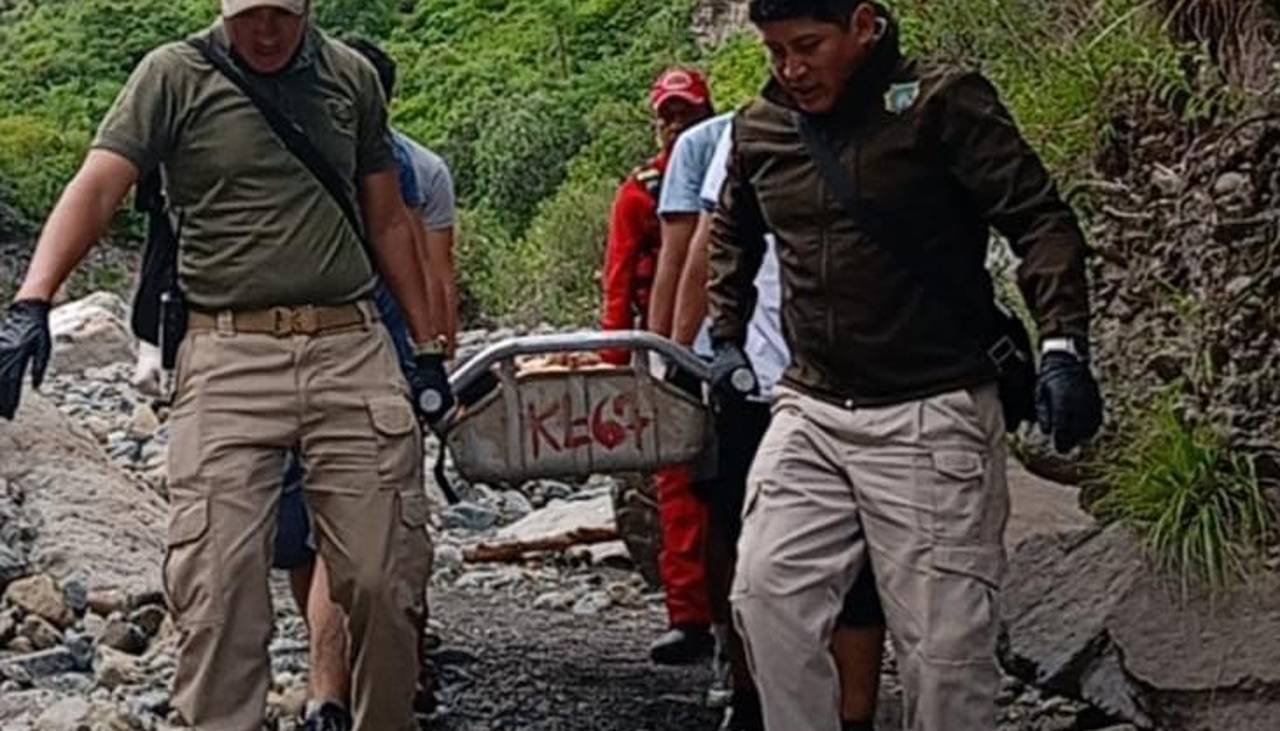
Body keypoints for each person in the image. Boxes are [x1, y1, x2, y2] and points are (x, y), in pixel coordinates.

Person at [0, 3, 453, 729]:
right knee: (216, 584)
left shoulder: (350, 77)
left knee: (384, 577)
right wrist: (32, 299)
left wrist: (428, 350)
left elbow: (389, 219)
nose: (264, 32)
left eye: (279, 14)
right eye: (249, 17)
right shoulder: (171, 76)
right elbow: (98, 185)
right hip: (225, 347)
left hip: (348, 342)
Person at [706, 2, 1104, 730]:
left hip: (932, 402)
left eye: (807, 46)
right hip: (813, 404)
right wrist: (725, 333)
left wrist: (1062, 347)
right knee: (765, 595)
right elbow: (732, 227)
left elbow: (1040, 219)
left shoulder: (942, 103)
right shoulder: (760, 127)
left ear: (863, 25)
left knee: (945, 648)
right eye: (774, 52)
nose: (791, 69)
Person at [662, 115, 886, 730]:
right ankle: (751, 692)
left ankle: (852, 715)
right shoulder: (747, 133)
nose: (794, 67)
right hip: (756, 379)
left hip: (861, 379)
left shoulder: (899, 123)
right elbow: (708, 245)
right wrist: (684, 354)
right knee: (741, 542)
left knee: (857, 558)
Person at [599, 67, 718, 664]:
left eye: (686, 113)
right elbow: (621, 282)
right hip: (669, 350)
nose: (676, 124)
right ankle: (691, 616)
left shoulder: (748, 166)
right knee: (677, 488)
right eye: (668, 114)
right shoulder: (640, 192)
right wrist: (616, 364)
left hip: (744, 344)